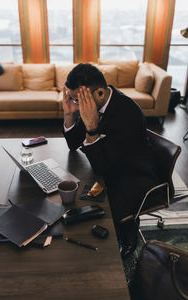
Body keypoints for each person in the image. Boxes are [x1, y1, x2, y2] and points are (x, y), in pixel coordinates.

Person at [62, 63, 162, 258]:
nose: (77, 103)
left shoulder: (128, 114)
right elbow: (74, 144)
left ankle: (128, 235)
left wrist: (92, 128)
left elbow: (103, 166)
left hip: (134, 175)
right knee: (75, 198)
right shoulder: (90, 103)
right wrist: (69, 115)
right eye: (74, 99)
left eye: (79, 99)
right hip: (110, 165)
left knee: (96, 208)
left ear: (99, 92)